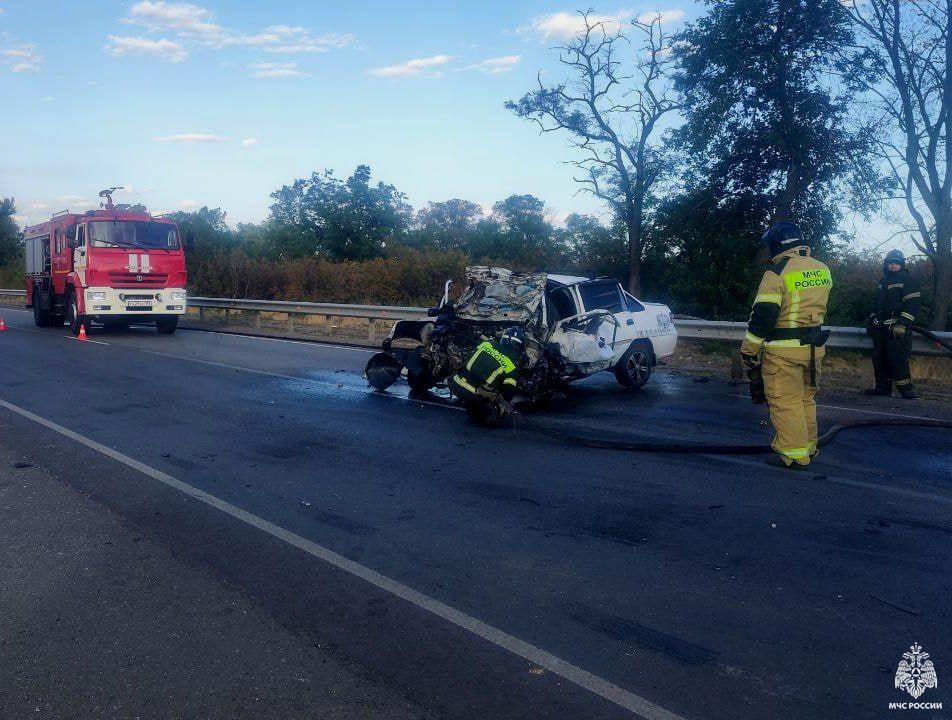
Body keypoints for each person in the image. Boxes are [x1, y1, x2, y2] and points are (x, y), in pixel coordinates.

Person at [740, 222, 833, 469]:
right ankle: (809, 448)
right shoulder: (822, 269)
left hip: (784, 351)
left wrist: (748, 350)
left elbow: (763, 317)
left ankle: (793, 455)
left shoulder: (777, 273)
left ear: (775, 245)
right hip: (813, 349)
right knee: (805, 400)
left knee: (785, 401)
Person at [864, 249, 922, 399]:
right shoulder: (883, 282)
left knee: (897, 359)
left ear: (902, 265)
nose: (893, 266)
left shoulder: (908, 281)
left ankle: (906, 390)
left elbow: (913, 305)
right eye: (891, 263)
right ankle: (882, 388)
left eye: (896, 263)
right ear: (886, 265)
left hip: (896, 329)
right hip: (880, 328)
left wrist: (902, 323)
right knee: (879, 358)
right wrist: (871, 319)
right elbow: (876, 303)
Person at [447, 326, 524, 426]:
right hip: (474, 394)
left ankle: (472, 405)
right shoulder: (512, 367)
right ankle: (489, 416)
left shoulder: (486, 344)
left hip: (456, 383)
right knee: (501, 401)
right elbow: (508, 393)